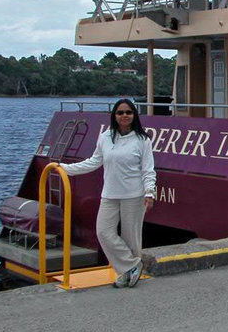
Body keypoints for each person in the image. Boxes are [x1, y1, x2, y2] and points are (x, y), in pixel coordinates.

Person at [60, 98, 156, 288]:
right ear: (114, 116)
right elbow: (94, 162)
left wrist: (150, 192)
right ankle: (133, 265)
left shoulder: (142, 140)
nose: (124, 116)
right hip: (110, 195)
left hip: (134, 195)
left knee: (131, 238)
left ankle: (125, 273)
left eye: (128, 112)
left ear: (134, 115)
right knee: (103, 232)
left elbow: (148, 169)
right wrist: (65, 169)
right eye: (120, 113)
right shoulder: (105, 137)